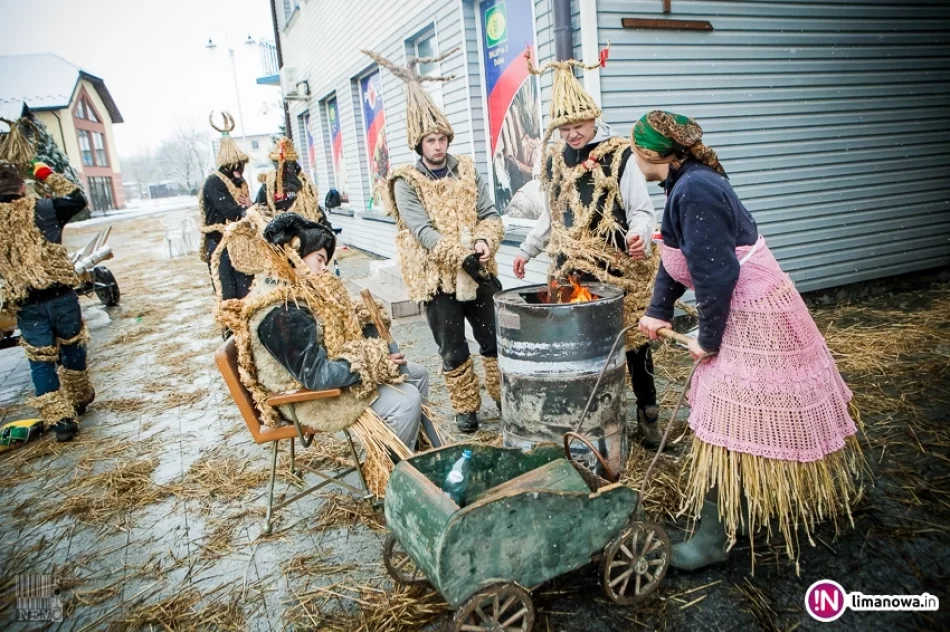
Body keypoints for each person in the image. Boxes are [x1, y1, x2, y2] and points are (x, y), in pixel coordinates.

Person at [633, 110, 865, 571]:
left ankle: (712, 541)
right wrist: (657, 310)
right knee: (731, 412)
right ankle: (742, 511)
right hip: (742, 305)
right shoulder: (683, 181)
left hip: (758, 315)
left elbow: (716, 273)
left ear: (651, 153)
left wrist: (709, 340)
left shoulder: (695, 188)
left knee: (730, 415)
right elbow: (677, 254)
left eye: (634, 147)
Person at [513, 50, 662, 445]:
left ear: (592, 116)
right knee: (578, 346)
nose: (571, 134)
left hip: (617, 271)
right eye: (563, 129)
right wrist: (528, 249)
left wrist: (639, 235)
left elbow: (642, 212)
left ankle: (647, 411)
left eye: (577, 125)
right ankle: (593, 419)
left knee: (633, 344)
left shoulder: (620, 156)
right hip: (569, 271)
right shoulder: (553, 160)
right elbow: (549, 214)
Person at [364, 47, 505, 434]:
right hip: (438, 279)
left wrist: (484, 242)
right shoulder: (406, 182)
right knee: (453, 348)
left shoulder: (466, 170)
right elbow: (423, 231)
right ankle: (465, 408)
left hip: (479, 271)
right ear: (419, 145)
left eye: (442, 138)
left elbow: (490, 214)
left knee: (493, 339)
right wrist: (459, 257)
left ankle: (502, 397)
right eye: (431, 140)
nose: (439, 145)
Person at [214, 211, 426, 462]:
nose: (324, 268)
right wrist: (373, 363)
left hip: (322, 381)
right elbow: (317, 376)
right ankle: (392, 472)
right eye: (320, 259)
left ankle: (414, 450)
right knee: (407, 400)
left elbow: (328, 339)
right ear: (295, 255)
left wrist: (364, 325)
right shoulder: (281, 311)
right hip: (306, 400)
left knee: (418, 374)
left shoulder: (296, 291)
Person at [0, 160, 94, 442]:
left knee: (41, 360)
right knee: (73, 346)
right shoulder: (42, 209)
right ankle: (78, 398)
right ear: (21, 187)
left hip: (26, 302)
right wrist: (44, 173)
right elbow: (78, 199)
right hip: (60, 295)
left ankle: (62, 422)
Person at [199, 111, 253, 301]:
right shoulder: (215, 183)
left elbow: (245, 209)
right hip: (220, 243)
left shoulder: (240, 183)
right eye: (238, 166)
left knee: (246, 289)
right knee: (227, 292)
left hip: (239, 243)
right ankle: (230, 328)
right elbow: (232, 211)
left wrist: (249, 207)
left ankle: (245, 325)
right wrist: (248, 210)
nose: (241, 170)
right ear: (230, 166)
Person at [254, 136, 327, 225]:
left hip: (303, 227)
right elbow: (258, 211)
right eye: (282, 164)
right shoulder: (268, 188)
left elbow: (314, 207)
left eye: (289, 164)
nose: (286, 169)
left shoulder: (304, 185)